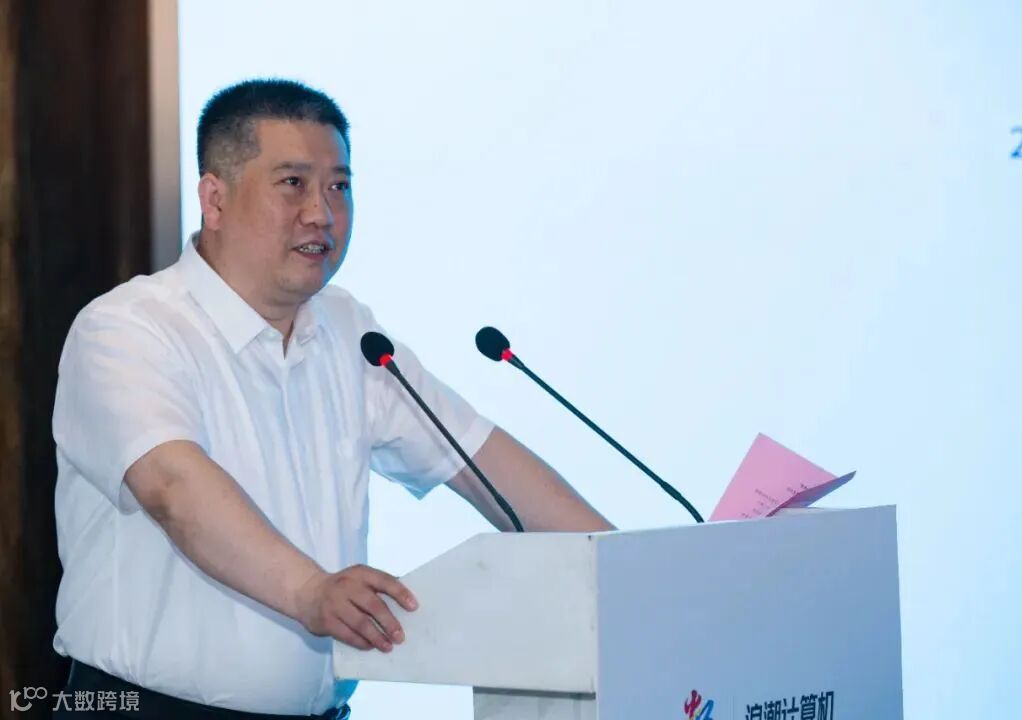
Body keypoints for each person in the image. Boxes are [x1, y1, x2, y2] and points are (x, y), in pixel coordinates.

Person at [51, 79, 614, 720]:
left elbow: (481, 464)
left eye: (339, 187)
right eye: (293, 183)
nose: (321, 212)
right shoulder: (128, 329)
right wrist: (310, 591)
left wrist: (631, 576)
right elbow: (174, 489)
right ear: (215, 199)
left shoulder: (348, 330)